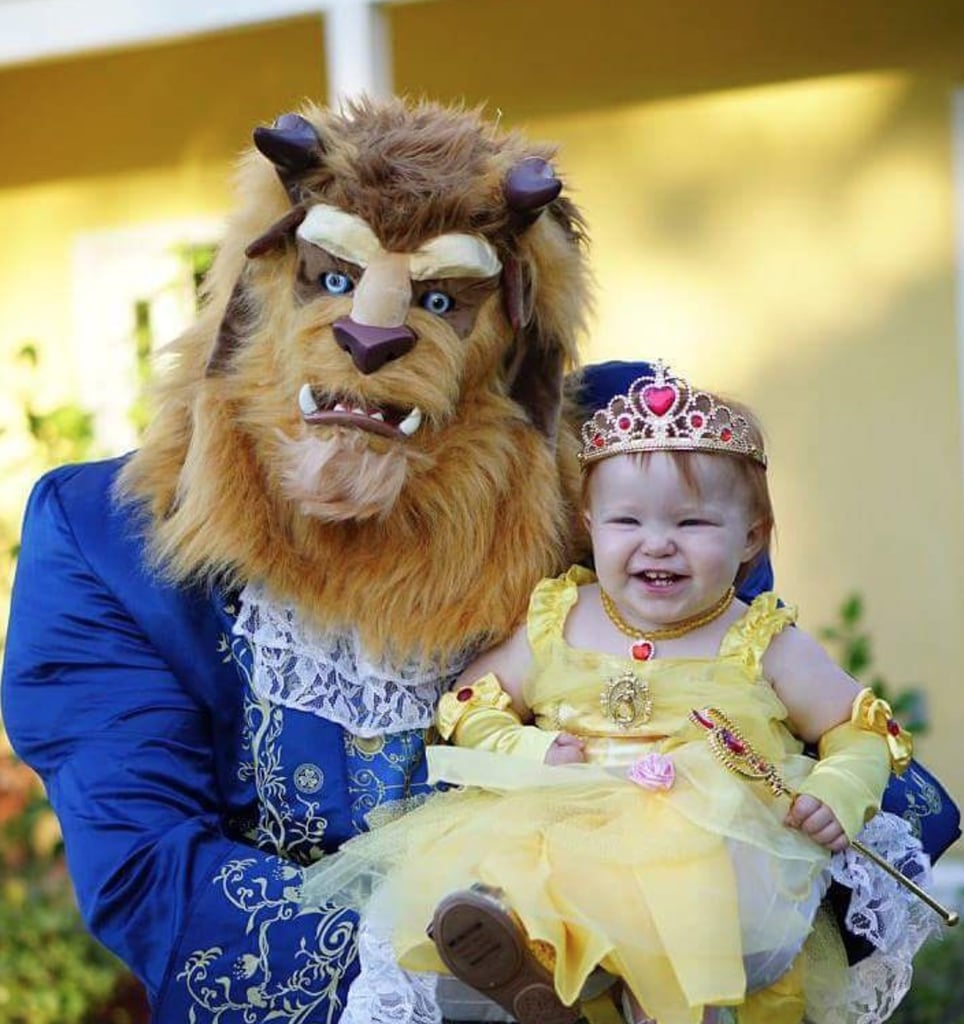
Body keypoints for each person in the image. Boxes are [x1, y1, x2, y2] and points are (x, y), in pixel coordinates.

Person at [301, 361, 941, 1024]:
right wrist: (529, 747)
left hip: (715, 859)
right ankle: (533, 975)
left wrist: (836, 790)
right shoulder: (560, 618)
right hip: (569, 825)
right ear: (590, 525)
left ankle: (624, 1001)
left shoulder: (760, 640)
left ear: (750, 537)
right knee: (503, 882)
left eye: (692, 524)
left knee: (693, 920)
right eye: (627, 522)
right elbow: (470, 705)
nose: (657, 545)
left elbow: (863, 729)